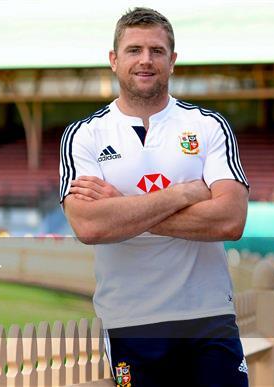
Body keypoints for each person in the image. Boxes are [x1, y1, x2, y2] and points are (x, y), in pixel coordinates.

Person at [59, 7, 250, 387]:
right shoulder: (84, 136)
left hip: (208, 317)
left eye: (156, 50)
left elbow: (230, 220)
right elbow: (90, 226)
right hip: (130, 323)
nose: (145, 60)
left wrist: (123, 209)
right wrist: (184, 193)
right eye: (133, 50)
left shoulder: (208, 126)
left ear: (172, 61)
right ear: (113, 60)